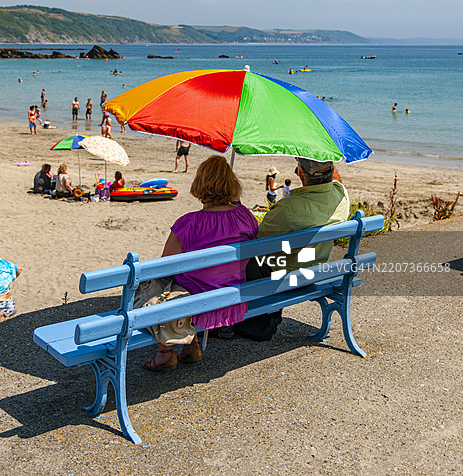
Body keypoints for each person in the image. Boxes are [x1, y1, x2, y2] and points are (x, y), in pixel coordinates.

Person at [137, 156, 258, 371]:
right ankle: (190, 346)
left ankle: (165, 352)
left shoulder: (189, 223)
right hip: (231, 298)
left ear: (200, 185)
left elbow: (165, 266)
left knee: (149, 286)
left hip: (196, 302)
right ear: (232, 184)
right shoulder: (245, 216)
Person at [235, 157, 350, 341]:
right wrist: (326, 157)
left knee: (243, 261)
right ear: (330, 170)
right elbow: (337, 181)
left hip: (284, 276)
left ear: (302, 174)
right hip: (316, 268)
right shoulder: (341, 196)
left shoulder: (288, 208)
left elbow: (256, 245)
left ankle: (242, 318)